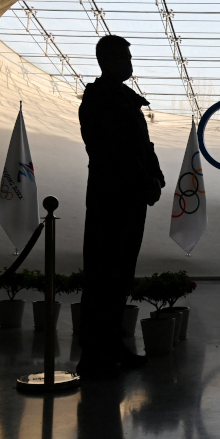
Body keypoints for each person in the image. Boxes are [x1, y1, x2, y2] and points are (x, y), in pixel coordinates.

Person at [78, 35, 164, 378]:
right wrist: (145, 180)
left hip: (128, 198)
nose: (131, 64)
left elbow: (144, 145)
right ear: (108, 61)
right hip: (110, 199)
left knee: (121, 274)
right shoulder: (99, 100)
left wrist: (155, 176)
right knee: (103, 273)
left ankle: (111, 346)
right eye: (126, 57)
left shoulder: (125, 101)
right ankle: (94, 353)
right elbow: (109, 151)